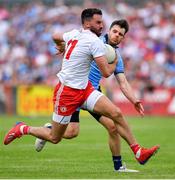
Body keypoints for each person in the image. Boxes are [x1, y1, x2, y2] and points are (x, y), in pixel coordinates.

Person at [3, 8, 159, 171]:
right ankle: (23, 128)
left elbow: (56, 36)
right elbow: (106, 72)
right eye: (100, 23)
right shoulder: (97, 43)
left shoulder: (76, 33)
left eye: (121, 34)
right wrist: (112, 62)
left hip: (86, 89)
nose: (102, 26)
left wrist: (62, 46)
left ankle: (137, 152)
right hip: (68, 92)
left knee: (116, 115)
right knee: (59, 136)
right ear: (88, 23)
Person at [35, 19, 145, 172]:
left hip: (91, 93)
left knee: (111, 126)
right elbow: (75, 46)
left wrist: (134, 100)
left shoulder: (116, 57)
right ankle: (48, 130)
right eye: (115, 31)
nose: (117, 35)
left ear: (123, 38)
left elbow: (123, 82)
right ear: (109, 30)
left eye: (121, 34)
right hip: (75, 89)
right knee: (72, 132)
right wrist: (63, 46)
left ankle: (118, 166)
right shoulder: (94, 40)